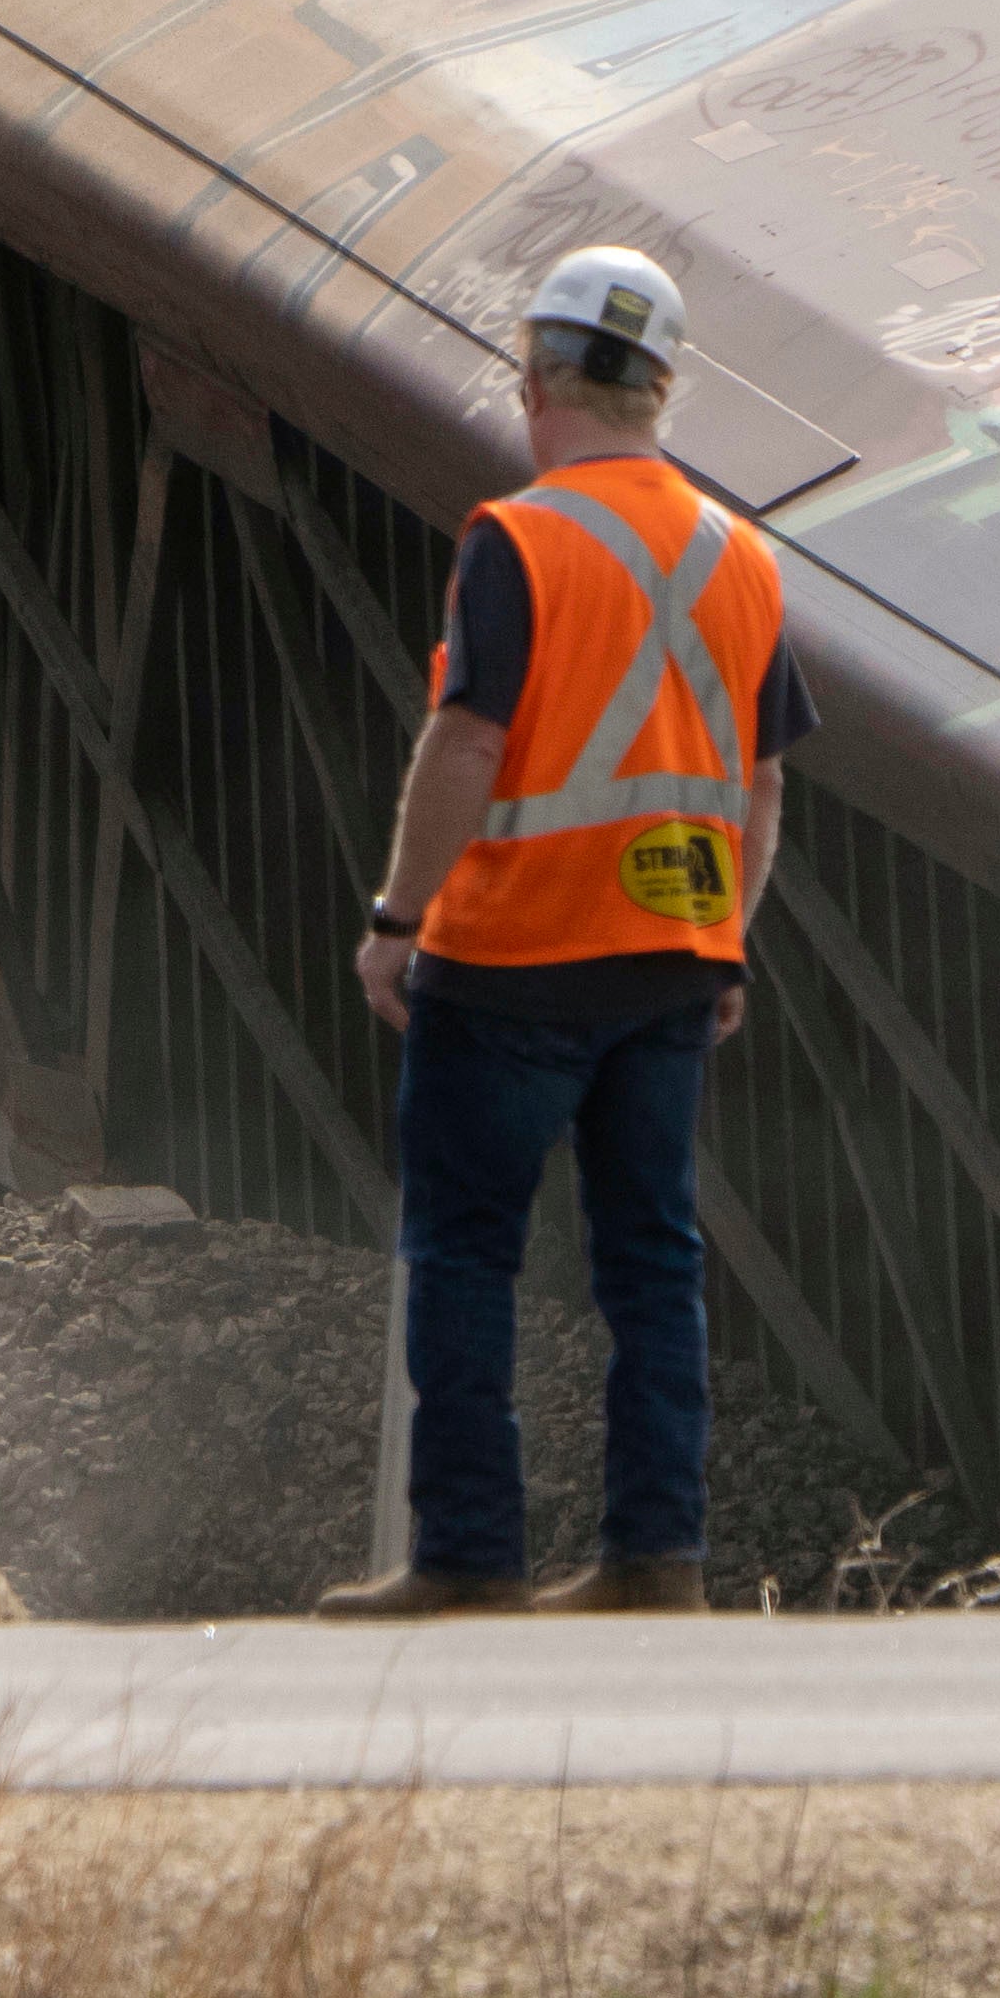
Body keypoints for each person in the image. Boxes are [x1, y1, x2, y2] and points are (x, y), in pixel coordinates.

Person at [322, 243, 811, 1620]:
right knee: (653, 1260)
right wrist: (726, 937)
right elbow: (761, 781)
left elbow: (468, 742)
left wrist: (395, 921)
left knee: (467, 1252)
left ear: (538, 378)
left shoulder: (520, 540)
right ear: (662, 386)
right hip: (670, 962)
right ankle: (659, 1563)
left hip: (515, 959)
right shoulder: (743, 555)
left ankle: (470, 1561)